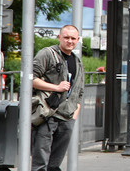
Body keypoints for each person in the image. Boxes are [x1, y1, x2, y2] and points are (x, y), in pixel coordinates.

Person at [31, 25, 84, 171]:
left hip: (67, 117)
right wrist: (56, 88)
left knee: (54, 164)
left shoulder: (77, 61)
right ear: (59, 37)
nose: (70, 41)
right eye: (66, 37)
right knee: (40, 162)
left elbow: (79, 92)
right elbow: (30, 79)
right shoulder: (47, 54)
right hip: (47, 114)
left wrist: (74, 115)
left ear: (78, 40)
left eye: (73, 38)